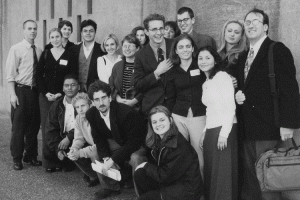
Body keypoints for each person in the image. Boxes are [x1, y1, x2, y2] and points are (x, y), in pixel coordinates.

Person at [235, 8, 300, 200]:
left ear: (265, 27)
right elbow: (246, 87)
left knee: (269, 179)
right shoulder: (244, 55)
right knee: (251, 179)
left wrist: (288, 124)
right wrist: (237, 94)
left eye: (256, 21)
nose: (250, 24)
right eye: (247, 22)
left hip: (269, 127)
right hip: (247, 129)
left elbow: (290, 89)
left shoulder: (277, 50)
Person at [86, 80, 147, 199]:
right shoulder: (91, 114)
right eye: (97, 100)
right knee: (94, 152)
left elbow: (134, 142)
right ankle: (111, 187)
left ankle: (142, 194)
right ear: (92, 102)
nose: (101, 102)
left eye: (104, 98)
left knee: (136, 158)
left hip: (137, 143)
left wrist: (113, 159)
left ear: (110, 98)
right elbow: (98, 139)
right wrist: (106, 157)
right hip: (118, 140)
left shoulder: (126, 113)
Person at [134, 105, 203, 200]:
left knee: (144, 198)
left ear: (170, 120)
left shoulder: (179, 145)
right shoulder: (158, 140)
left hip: (186, 190)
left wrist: (146, 165)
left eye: (162, 120)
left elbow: (164, 176)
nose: (158, 124)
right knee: (140, 174)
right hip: (171, 183)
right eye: (154, 122)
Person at [198, 46, 238, 200]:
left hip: (224, 130)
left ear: (215, 60)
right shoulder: (207, 81)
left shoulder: (222, 77)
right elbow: (210, 110)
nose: (203, 61)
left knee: (223, 175)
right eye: (200, 58)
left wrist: (224, 134)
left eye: (207, 57)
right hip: (212, 130)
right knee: (212, 173)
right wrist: (204, 132)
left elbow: (230, 107)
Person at [164, 33, 206, 176]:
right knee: (180, 156)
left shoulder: (201, 66)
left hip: (199, 116)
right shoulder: (171, 71)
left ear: (193, 48)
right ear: (176, 50)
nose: (185, 50)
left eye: (188, 46)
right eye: (181, 47)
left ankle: (201, 193)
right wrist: (170, 118)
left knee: (200, 158)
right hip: (178, 116)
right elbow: (170, 98)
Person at [6, 20, 42, 170]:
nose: (32, 31)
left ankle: (31, 156)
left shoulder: (39, 50)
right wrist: (12, 95)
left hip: (35, 92)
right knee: (19, 127)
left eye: (34, 29)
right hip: (21, 91)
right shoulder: (16, 49)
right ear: (23, 31)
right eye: (29, 29)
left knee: (34, 126)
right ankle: (17, 158)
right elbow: (10, 75)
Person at [37, 28, 71, 168]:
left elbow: (70, 75)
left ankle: (61, 160)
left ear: (61, 37)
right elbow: (38, 76)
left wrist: (61, 93)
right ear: (49, 39)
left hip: (61, 96)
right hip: (46, 97)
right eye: (52, 37)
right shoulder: (45, 54)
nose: (55, 39)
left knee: (61, 127)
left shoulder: (68, 54)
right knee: (47, 128)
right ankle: (48, 161)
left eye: (58, 36)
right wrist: (45, 93)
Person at [133, 14, 173, 115]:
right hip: (152, 108)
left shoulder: (175, 45)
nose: (159, 33)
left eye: (161, 28)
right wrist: (156, 73)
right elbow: (138, 85)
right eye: (154, 29)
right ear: (146, 32)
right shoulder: (140, 55)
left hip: (176, 107)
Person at [44, 74, 79, 173]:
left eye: (73, 85)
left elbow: (86, 125)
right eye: (66, 85)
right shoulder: (57, 105)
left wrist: (69, 137)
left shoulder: (84, 103)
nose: (69, 88)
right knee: (48, 149)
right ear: (63, 88)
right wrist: (57, 149)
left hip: (79, 138)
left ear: (79, 87)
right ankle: (63, 157)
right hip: (63, 138)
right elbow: (50, 129)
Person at [67, 92, 100, 187]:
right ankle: (94, 176)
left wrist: (80, 152)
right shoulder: (78, 118)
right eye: (77, 107)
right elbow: (78, 138)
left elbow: (99, 145)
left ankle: (106, 181)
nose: (80, 110)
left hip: (102, 147)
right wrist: (73, 149)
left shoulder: (97, 117)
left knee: (92, 152)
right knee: (73, 152)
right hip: (92, 145)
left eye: (83, 106)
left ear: (90, 105)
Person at [67, 19, 106, 92]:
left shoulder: (102, 50)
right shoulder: (73, 50)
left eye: (91, 31)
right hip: (76, 90)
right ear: (81, 33)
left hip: (95, 90)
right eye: (85, 31)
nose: (88, 33)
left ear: (95, 32)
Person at [109, 34, 142, 109]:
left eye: (130, 46)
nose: (127, 49)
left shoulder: (142, 66)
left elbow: (147, 87)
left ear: (137, 48)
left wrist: (133, 101)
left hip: (138, 108)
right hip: (119, 107)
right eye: (125, 46)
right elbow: (111, 86)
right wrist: (118, 99)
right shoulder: (117, 66)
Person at [218, 20, 247, 87]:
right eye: (229, 31)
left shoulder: (243, 55)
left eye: (236, 32)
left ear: (241, 36)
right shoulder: (217, 54)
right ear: (224, 32)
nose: (232, 34)